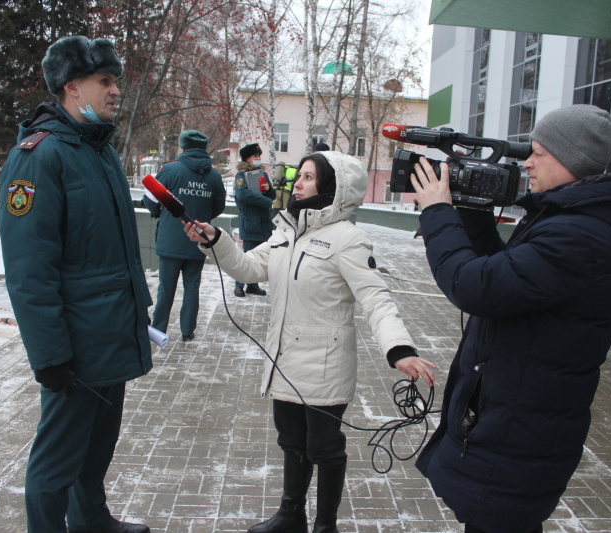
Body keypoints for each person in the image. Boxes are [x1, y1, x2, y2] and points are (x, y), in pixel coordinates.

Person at [410, 105, 611, 533]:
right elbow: (505, 275)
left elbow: (473, 285)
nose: (527, 162)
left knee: (499, 521)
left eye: (538, 152)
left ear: (570, 159)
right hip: (518, 417)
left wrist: (437, 212)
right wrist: (472, 208)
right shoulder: (573, 221)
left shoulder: (579, 235)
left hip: (522, 427)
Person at [185, 151, 437, 533]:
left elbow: (376, 298)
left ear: (331, 187)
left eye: (307, 177)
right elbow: (250, 267)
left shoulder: (348, 239)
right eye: (297, 176)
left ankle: (325, 525)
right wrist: (216, 239)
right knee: (291, 442)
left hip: (324, 364)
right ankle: (291, 516)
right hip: (284, 359)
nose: (296, 183)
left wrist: (398, 348)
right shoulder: (287, 230)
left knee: (324, 448)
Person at [0, 36, 152, 533]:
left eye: (115, 82)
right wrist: (49, 355)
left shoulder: (99, 151)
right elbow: (29, 269)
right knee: (57, 458)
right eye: (104, 81)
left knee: (97, 445)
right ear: (72, 87)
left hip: (110, 332)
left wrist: (136, 312)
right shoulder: (38, 157)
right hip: (74, 346)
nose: (115, 92)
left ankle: (92, 521)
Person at [143, 130, 225, 341]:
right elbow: (218, 207)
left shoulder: (170, 170)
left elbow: (152, 201)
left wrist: (158, 212)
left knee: (166, 289)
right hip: (198, 238)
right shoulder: (214, 176)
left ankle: (159, 330)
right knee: (192, 288)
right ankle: (187, 331)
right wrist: (201, 219)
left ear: (183, 147)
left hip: (171, 238)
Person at [234, 142, 276, 297]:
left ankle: (253, 285)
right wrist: (266, 201)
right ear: (247, 158)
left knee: (260, 254)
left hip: (263, 222)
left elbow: (271, 195)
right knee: (247, 254)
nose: (258, 158)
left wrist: (269, 191)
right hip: (250, 221)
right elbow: (242, 195)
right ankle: (239, 285)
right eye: (255, 156)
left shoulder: (262, 174)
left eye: (259, 156)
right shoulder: (241, 175)